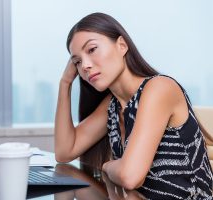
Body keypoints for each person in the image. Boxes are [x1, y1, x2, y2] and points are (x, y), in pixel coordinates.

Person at [54, 12, 213, 199]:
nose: (85, 65)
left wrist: (107, 166)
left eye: (92, 49)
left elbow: (130, 177)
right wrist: (65, 83)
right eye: (77, 61)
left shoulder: (159, 88)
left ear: (122, 46)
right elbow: (64, 152)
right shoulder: (113, 106)